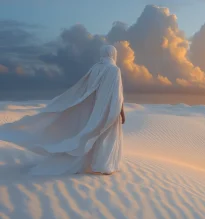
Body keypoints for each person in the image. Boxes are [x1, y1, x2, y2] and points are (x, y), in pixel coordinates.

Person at [1, 45, 125, 175]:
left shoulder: (95, 68)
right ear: (114, 54)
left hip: (95, 110)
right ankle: (104, 165)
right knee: (106, 136)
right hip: (110, 109)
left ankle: (95, 164)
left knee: (93, 135)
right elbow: (117, 95)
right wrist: (121, 112)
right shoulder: (114, 70)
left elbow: (86, 90)